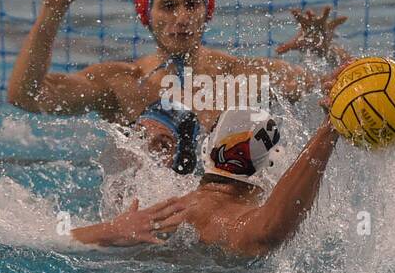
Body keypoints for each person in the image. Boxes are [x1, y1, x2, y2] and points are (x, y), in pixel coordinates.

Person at [6, 0, 353, 148]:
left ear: (207, 10)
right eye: (168, 7)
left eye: (192, 4)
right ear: (147, 14)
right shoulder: (121, 83)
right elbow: (26, 96)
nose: (181, 17)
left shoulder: (243, 76)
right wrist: (52, 11)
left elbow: (342, 90)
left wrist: (326, 50)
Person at [71, 106, 339, 258]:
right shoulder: (217, 216)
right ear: (274, 167)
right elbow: (269, 231)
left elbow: (49, 239)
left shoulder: (165, 209)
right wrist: (329, 131)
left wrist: (109, 230)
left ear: (205, 151)